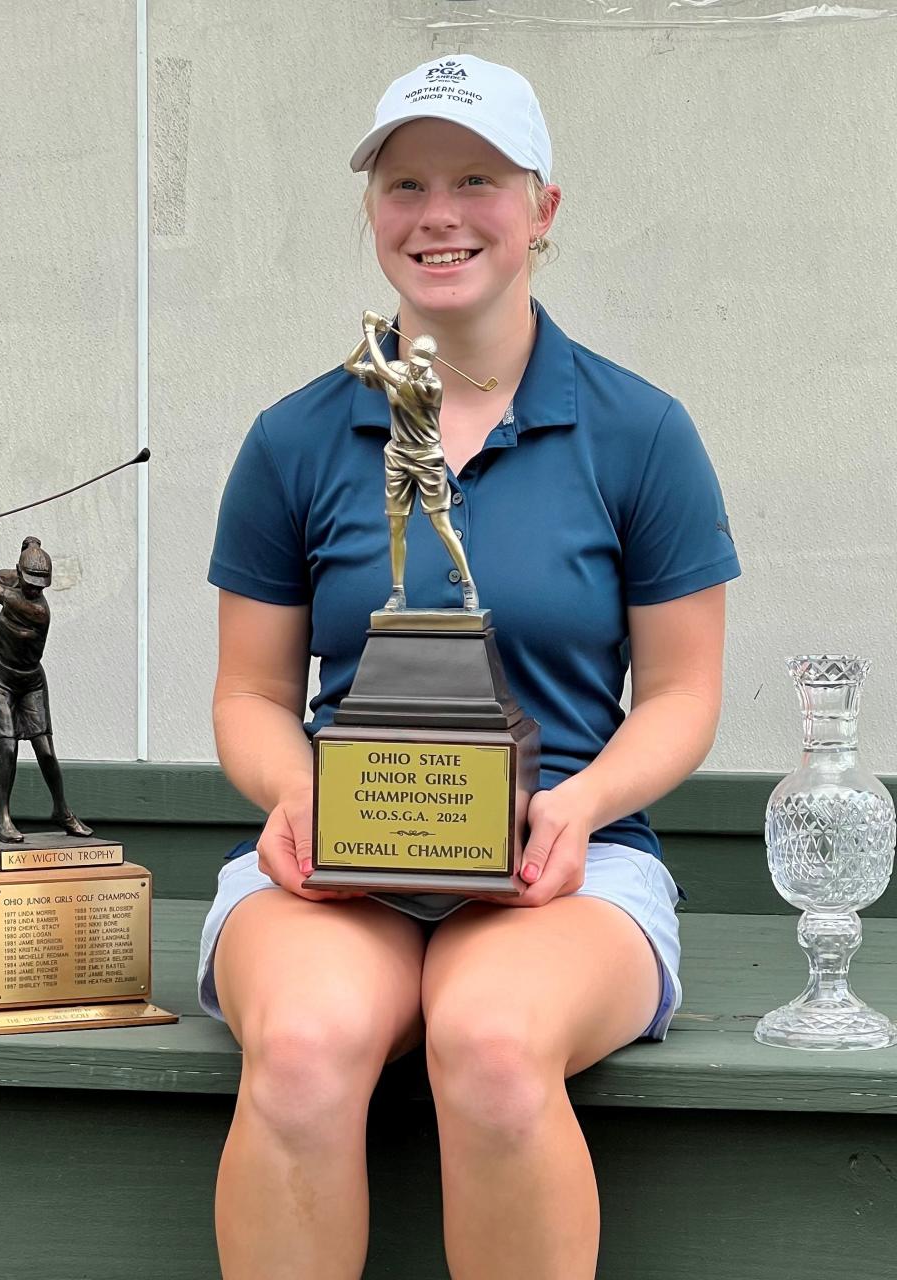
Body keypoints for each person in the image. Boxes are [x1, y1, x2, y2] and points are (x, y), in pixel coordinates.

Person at [199, 54, 740, 1280]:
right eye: (406, 184)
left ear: (543, 207)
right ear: (375, 212)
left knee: (493, 1042)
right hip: (344, 852)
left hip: (572, 859)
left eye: (478, 179)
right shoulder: (294, 436)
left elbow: (681, 693)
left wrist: (577, 805)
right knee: (303, 1046)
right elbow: (248, 693)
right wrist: (297, 797)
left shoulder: (640, 430)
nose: (438, 214)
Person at [0, 518, 93, 843]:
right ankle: (3, 819)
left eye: (39, 586)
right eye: (29, 582)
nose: (33, 589)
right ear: (21, 573)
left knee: (45, 751)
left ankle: (62, 810)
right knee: (8, 748)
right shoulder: (15, 584)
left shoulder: (36, 609)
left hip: (31, 683)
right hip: (3, 679)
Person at [343, 315, 478, 611]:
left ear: (431, 364)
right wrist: (374, 336)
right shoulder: (398, 370)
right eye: (415, 360)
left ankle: (468, 585)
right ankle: (397, 592)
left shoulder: (430, 386)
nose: (418, 367)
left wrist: (367, 330)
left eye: (423, 363)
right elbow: (352, 366)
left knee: (441, 523)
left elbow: (380, 368)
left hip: (427, 457)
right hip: (398, 455)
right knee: (396, 525)